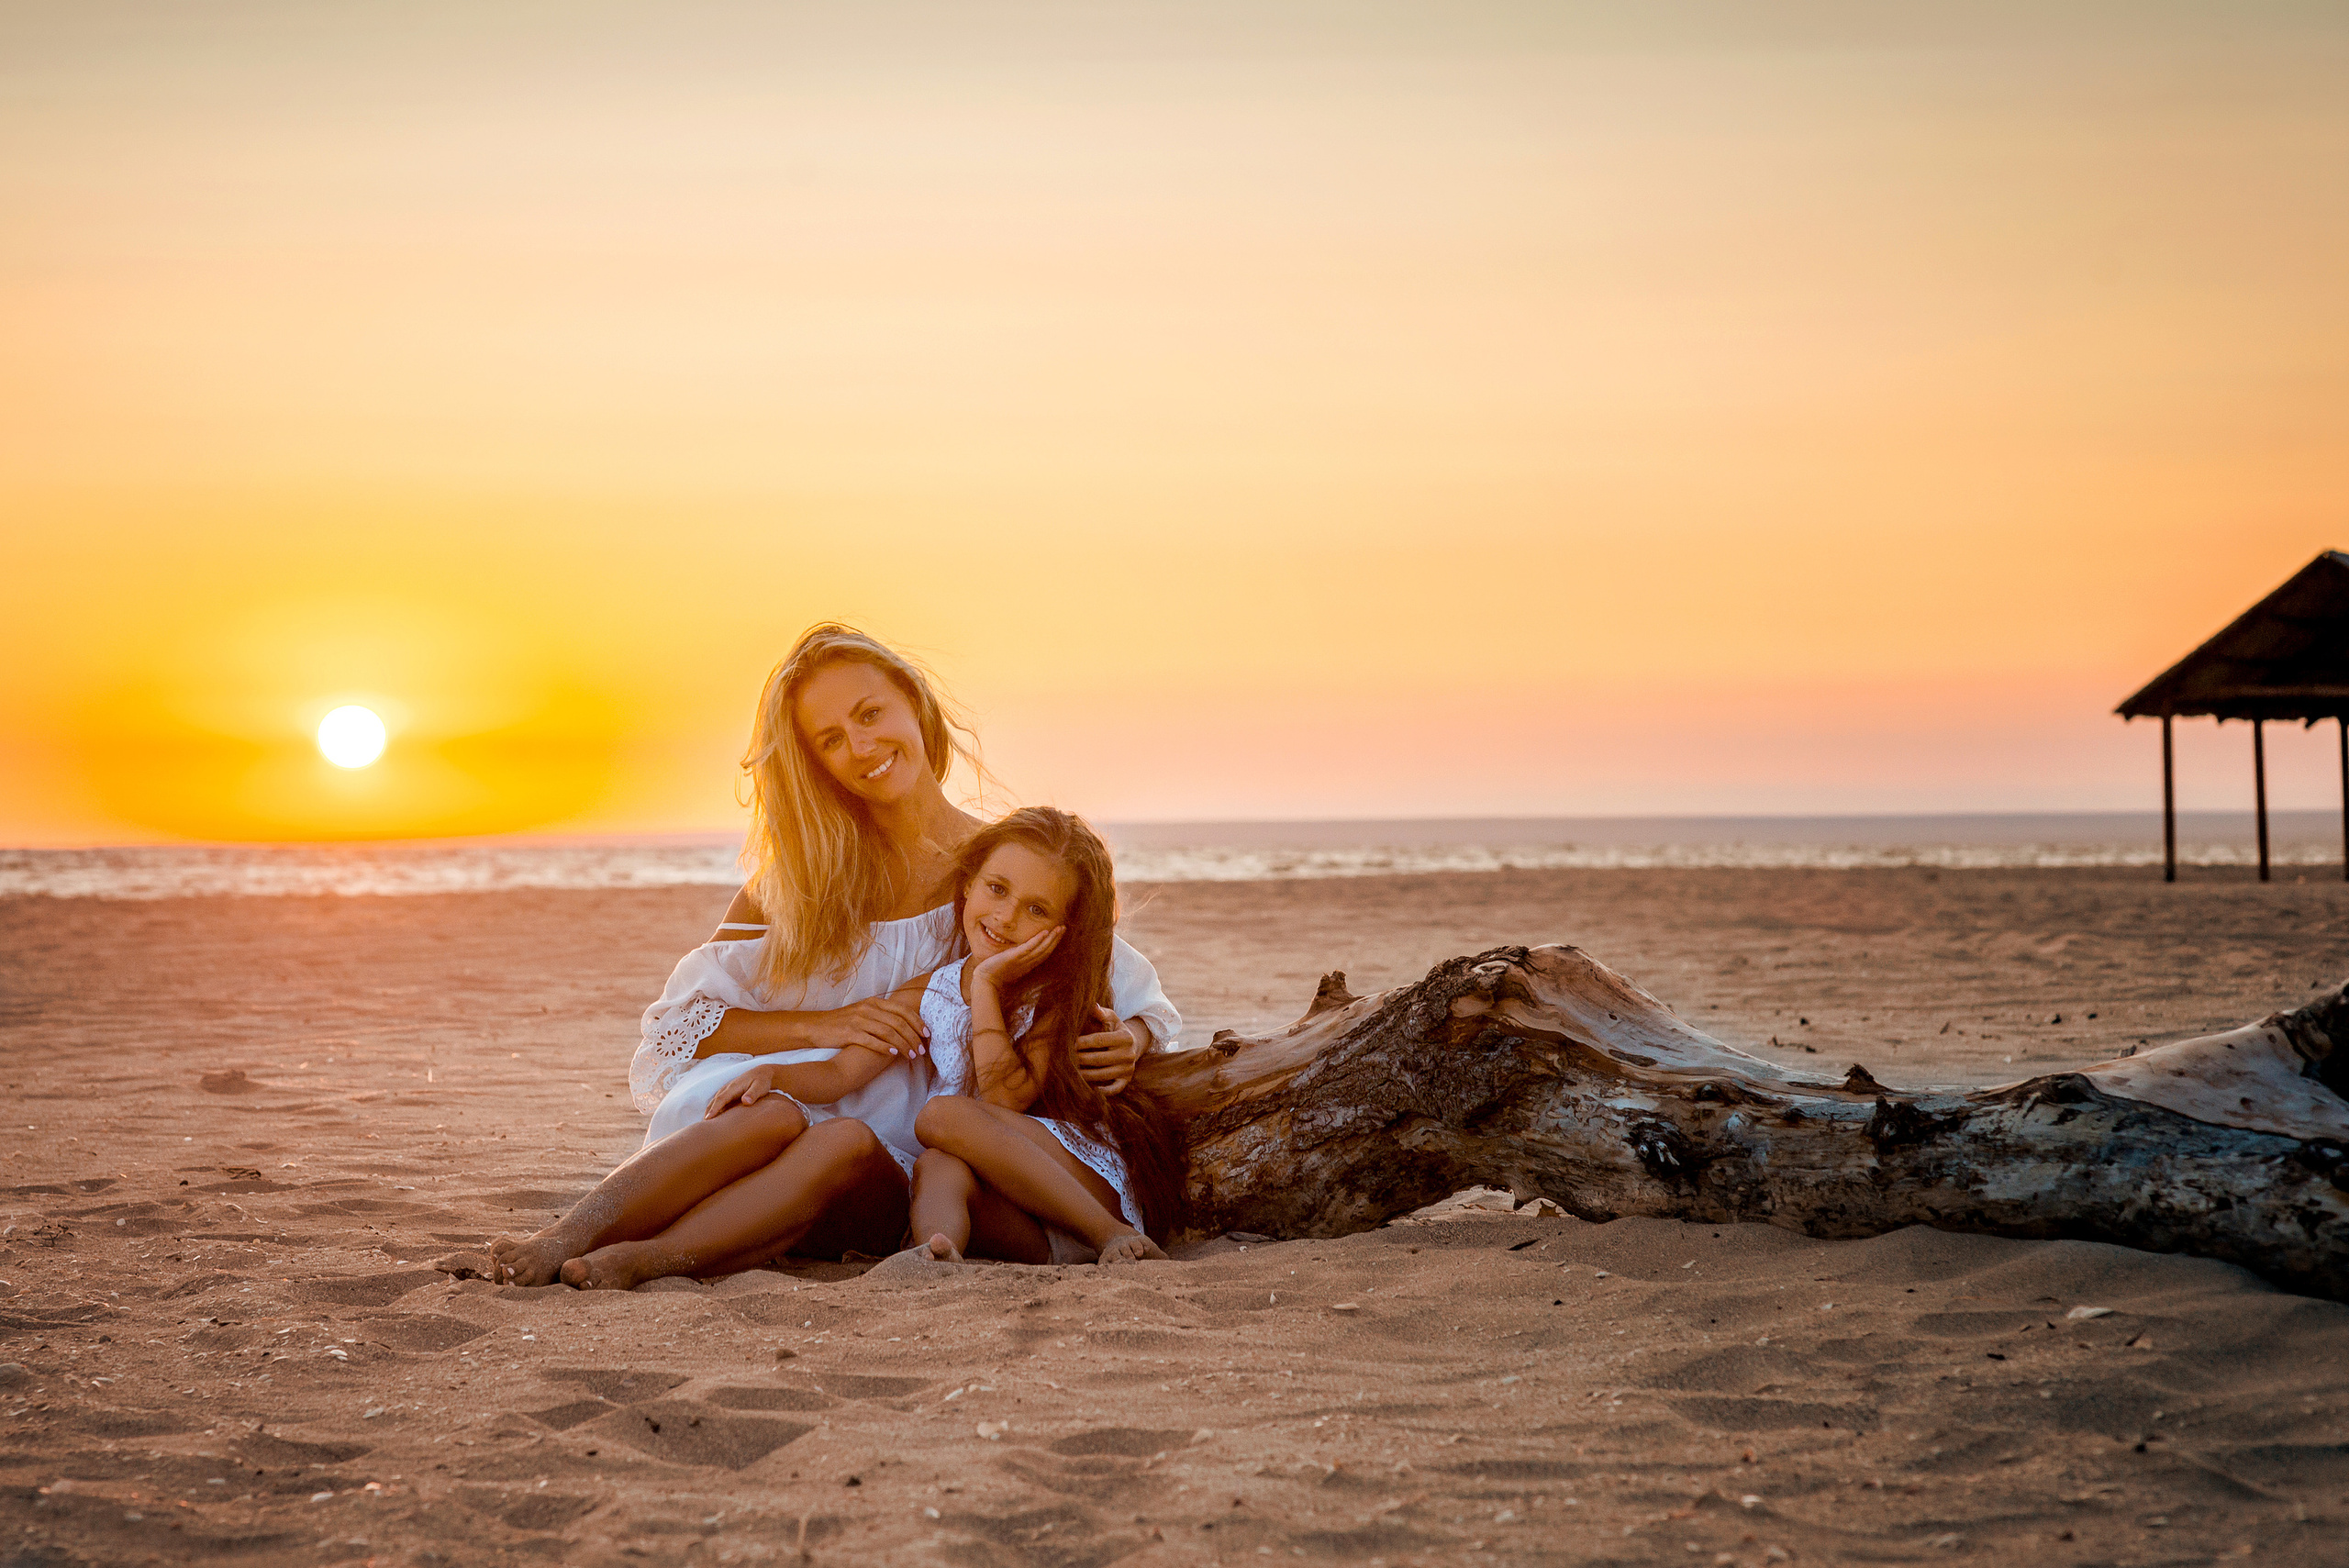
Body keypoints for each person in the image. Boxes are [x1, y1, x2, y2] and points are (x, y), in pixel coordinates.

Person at [484, 626, 1179, 1288]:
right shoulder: (798, 884)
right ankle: (565, 1240)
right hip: (785, 1136)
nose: (862, 744)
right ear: (815, 761)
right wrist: (824, 1024)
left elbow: (1117, 980)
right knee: (778, 1112)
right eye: (832, 739)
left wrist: (1135, 1035)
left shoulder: (1003, 873)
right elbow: (682, 1026)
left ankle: (652, 1256)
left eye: (871, 712)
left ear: (914, 701)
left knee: (850, 1140)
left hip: (918, 1173)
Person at [900, 808, 1186, 1267]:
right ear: (969, 882)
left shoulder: (1056, 994)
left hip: (1079, 1180)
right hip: (1026, 1219)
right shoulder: (940, 984)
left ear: (1064, 930)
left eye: (1037, 909)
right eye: (997, 889)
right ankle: (934, 1259)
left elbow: (1004, 1099)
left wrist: (987, 987)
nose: (1006, 917)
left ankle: (1110, 1234)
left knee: (940, 1117)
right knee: (935, 1164)